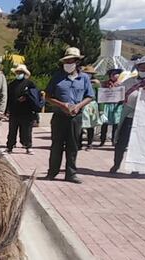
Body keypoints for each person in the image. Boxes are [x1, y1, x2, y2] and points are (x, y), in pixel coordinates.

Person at [45, 47, 95, 184]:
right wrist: (63, 105)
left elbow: (90, 96)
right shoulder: (57, 77)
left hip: (75, 117)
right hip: (59, 116)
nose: (69, 63)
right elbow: (48, 96)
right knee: (56, 145)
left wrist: (78, 106)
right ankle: (52, 172)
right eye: (66, 60)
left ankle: (71, 174)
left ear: (77, 62)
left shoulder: (84, 78)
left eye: (71, 60)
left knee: (73, 146)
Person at [110, 55, 145, 174]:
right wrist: (112, 88)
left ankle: (136, 168)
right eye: (141, 67)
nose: (143, 69)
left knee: (139, 144)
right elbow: (119, 92)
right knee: (121, 142)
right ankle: (116, 164)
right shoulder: (130, 80)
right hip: (129, 115)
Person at [5, 64, 39, 154]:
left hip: (27, 112)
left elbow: (34, 96)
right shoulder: (12, 85)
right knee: (12, 131)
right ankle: (9, 146)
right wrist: (6, 110)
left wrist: (26, 98)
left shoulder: (30, 84)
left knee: (27, 131)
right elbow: (8, 98)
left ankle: (28, 146)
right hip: (14, 111)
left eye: (20, 72)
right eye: (17, 72)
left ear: (24, 73)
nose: (19, 74)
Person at [78, 65, 102, 151]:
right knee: (81, 125)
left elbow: (100, 96)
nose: (89, 75)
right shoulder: (80, 81)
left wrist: (101, 109)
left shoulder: (95, 84)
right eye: (87, 73)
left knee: (91, 126)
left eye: (90, 74)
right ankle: (79, 143)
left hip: (92, 105)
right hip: (82, 104)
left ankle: (89, 143)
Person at [99, 68, 124, 146]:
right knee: (104, 123)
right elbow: (101, 95)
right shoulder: (104, 84)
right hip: (107, 104)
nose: (114, 76)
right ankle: (102, 140)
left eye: (116, 74)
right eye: (112, 74)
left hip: (117, 105)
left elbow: (123, 95)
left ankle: (114, 140)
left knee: (116, 124)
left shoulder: (121, 84)